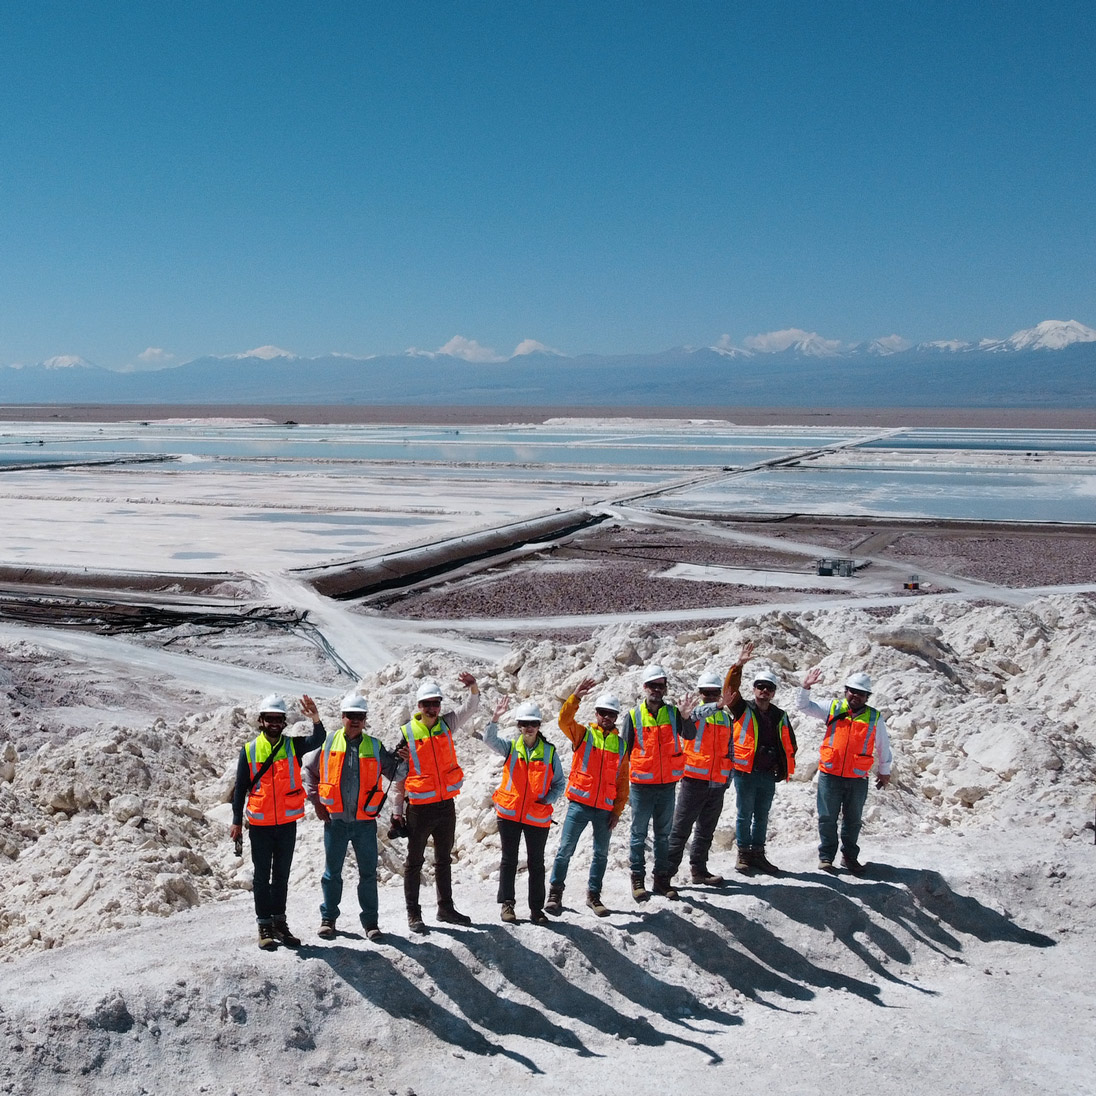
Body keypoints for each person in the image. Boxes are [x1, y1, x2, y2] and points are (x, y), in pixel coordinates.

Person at [302, 692, 406, 943]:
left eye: (360, 716)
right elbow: (308, 771)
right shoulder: (327, 743)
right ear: (343, 717)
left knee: (368, 873)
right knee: (332, 873)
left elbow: (395, 773)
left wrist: (404, 760)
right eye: (351, 716)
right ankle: (328, 919)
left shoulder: (374, 745)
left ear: (365, 719)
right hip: (335, 820)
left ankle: (371, 922)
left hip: (364, 822)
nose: (356, 720)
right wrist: (316, 801)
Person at [230, 694, 326, 950]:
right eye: (270, 718)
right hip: (260, 825)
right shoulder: (250, 750)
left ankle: (279, 923)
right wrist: (237, 821)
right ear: (261, 721)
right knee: (262, 877)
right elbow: (240, 788)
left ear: (284, 722)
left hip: (286, 823)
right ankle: (264, 925)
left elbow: (318, 739)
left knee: (281, 875)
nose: (274, 723)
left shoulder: (292, 746)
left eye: (278, 719)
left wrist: (315, 718)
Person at [395, 672, 480, 934]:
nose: (432, 708)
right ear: (419, 707)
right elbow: (399, 778)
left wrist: (474, 687)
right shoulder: (407, 735)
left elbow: (471, 707)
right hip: (419, 808)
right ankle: (414, 913)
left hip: (446, 806)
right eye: (427, 704)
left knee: (443, 859)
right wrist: (397, 812)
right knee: (414, 861)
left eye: (436, 703)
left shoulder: (446, 724)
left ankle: (445, 908)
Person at [545, 677, 629, 918]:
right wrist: (576, 697)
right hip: (579, 805)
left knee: (601, 853)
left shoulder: (621, 746)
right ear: (597, 713)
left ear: (615, 717)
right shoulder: (583, 735)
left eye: (611, 714)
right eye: (603, 713)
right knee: (565, 850)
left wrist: (617, 811)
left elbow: (623, 781)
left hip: (604, 809)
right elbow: (563, 720)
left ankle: (594, 896)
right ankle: (555, 893)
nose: (606, 717)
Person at [665, 647, 748, 888]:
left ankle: (699, 871)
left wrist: (728, 777)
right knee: (680, 831)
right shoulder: (694, 713)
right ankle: (666, 875)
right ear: (700, 693)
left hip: (717, 783)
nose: (711, 696)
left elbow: (730, 749)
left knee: (705, 831)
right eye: (707, 692)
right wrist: (718, 705)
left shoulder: (724, 717)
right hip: (694, 781)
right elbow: (693, 717)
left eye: (714, 692)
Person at [797, 667, 892, 875]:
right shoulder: (833, 708)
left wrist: (884, 771)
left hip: (857, 777)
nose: (855, 696)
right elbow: (803, 706)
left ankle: (849, 858)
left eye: (861, 693)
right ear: (845, 691)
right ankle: (826, 857)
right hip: (830, 775)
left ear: (867, 696)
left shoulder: (874, 717)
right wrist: (806, 687)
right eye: (852, 691)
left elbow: (883, 745)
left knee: (853, 820)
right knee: (827, 817)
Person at [482, 697, 565, 924]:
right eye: (525, 723)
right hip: (509, 814)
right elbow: (488, 739)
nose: (529, 727)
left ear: (539, 726)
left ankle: (536, 910)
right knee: (509, 860)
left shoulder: (549, 752)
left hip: (537, 816)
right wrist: (496, 717)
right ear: (519, 726)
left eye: (533, 723)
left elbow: (559, 782)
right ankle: (507, 904)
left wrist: (547, 801)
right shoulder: (510, 748)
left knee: (536, 863)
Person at [620, 665, 696, 901]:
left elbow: (690, 736)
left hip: (667, 785)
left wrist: (685, 717)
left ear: (664, 689)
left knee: (663, 835)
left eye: (660, 686)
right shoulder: (633, 716)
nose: (656, 690)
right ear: (645, 687)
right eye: (652, 685)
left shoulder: (673, 713)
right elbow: (624, 752)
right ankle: (638, 880)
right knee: (638, 834)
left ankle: (662, 880)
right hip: (642, 786)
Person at [726, 655, 797, 875]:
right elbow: (728, 690)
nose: (764, 691)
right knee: (744, 813)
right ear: (754, 688)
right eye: (760, 687)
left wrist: (782, 766)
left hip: (767, 774)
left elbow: (790, 743)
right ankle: (743, 854)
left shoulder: (779, 715)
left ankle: (758, 853)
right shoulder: (742, 709)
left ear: (774, 691)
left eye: (768, 688)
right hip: (745, 772)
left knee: (762, 815)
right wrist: (738, 666)